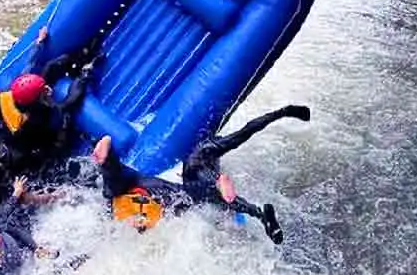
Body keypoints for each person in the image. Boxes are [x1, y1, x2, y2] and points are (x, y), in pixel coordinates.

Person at [91, 104, 311, 244]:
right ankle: (259, 214)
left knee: (114, 188)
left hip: (167, 185)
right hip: (179, 184)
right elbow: (247, 131)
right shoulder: (204, 154)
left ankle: (108, 159)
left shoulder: (201, 154)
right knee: (213, 195)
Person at [0, 27, 105, 179]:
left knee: (51, 67)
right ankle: (87, 70)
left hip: (13, 125)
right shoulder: (34, 123)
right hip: (32, 146)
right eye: (44, 92)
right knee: (66, 114)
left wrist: (39, 43)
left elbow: (29, 66)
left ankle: (84, 53)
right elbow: (69, 102)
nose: (48, 89)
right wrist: (85, 76)